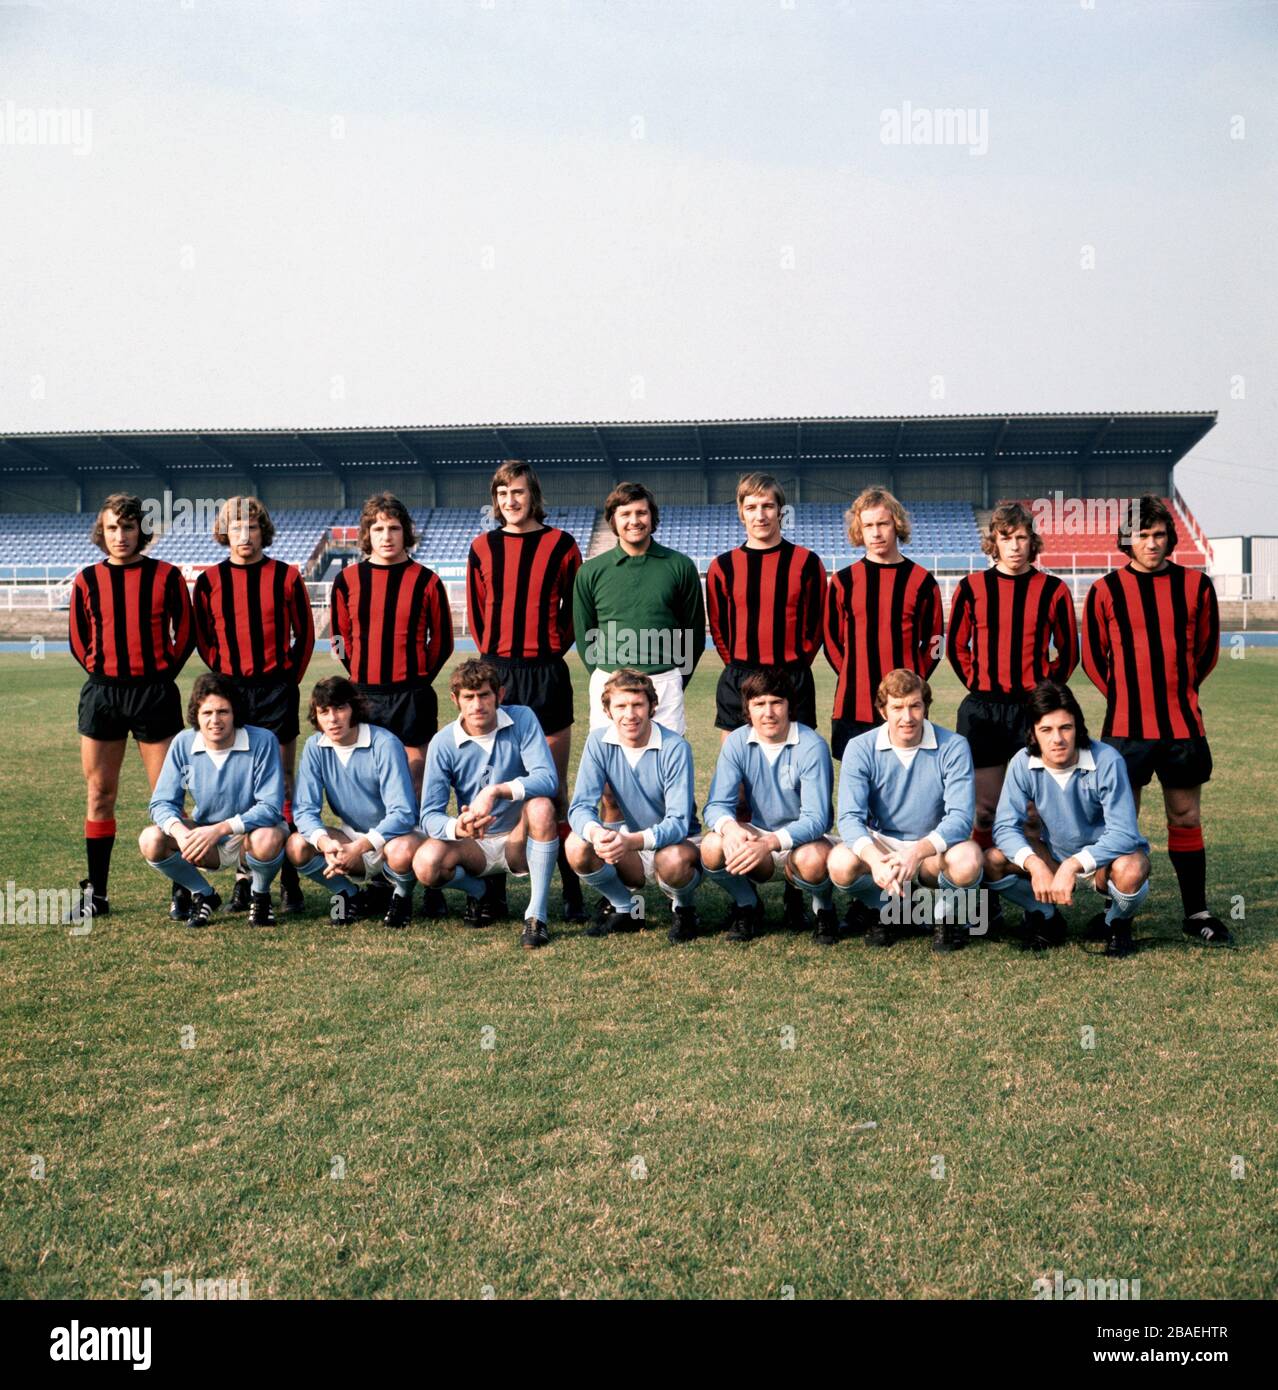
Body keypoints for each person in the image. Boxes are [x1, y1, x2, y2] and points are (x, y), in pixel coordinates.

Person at [1082, 495, 1227, 945]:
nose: (1151, 543)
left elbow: (1206, 652)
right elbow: (1093, 659)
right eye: (1142, 535)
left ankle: (1196, 912)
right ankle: (1115, 913)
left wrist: (1174, 692)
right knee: (1123, 822)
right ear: (1127, 539)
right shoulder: (1105, 590)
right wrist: (1129, 695)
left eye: (1159, 534)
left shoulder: (1197, 586)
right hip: (1126, 729)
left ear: (1170, 538)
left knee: (1184, 816)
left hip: (1182, 725)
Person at [706, 471, 828, 930]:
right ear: (741, 512)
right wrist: (743, 667)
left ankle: (799, 888)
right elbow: (718, 627)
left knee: (799, 785)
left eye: (768, 506)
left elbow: (817, 625)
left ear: (781, 510)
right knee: (736, 789)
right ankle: (746, 900)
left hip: (791, 676)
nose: (760, 514)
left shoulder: (806, 563)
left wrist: (792, 666)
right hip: (739, 676)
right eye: (751, 507)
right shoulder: (722, 567)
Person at [467, 460, 585, 924]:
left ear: (532, 495)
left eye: (517, 492)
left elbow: (573, 611)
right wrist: (493, 659)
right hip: (499, 672)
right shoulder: (483, 546)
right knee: (493, 782)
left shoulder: (561, 545)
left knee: (551, 787)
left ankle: (571, 886)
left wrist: (550, 647)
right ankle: (493, 890)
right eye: (501, 494)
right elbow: (478, 613)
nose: (510, 502)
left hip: (546, 673)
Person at [68, 492, 195, 922]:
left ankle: (183, 889)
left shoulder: (167, 576)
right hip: (103, 695)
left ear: (141, 529)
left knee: (168, 799)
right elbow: (78, 639)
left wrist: (159, 673)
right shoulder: (86, 580)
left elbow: (186, 634)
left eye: (127, 527)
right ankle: (97, 895)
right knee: (100, 794)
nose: (119, 536)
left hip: (154, 694)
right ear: (100, 534)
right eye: (111, 528)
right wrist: (106, 672)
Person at [330, 492, 454, 918]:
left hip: (412, 694)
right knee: (377, 789)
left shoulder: (427, 580)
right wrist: (362, 677)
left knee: (417, 786)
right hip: (365, 694)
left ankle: (427, 873)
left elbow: (441, 641)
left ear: (407, 533)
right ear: (366, 534)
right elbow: (341, 640)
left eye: (394, 528)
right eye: (378, 528)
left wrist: (416, 676)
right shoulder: (348, 580)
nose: (386, 536)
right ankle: (387, 877)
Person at [193, 496, 314, 918]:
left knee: (281, 785)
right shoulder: (209, 582)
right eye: (236, 528)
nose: (245, 536)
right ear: (224, 532)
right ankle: (245, 879)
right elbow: (205, 639)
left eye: (253, 527)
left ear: (264, 531)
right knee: (241, 788)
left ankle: (291, 880)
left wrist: (286, 681)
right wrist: (227, 684)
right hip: (234, 694)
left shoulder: (286, 576)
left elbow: (306, 635)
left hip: (276, 690)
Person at [946, 499, 1077, 873]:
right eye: (1006, 538)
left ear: (1031, 541)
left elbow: (1068, 652)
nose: (1015, 546)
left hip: (1031, 712)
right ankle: (984, 893)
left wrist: (1043, 691)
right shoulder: (972, 587)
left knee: (1033, 812)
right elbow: (957, 646)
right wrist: (977, 681)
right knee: (983, 810)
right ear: (994, 543)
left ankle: (1036, 904)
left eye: (1021, 537)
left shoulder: (1053, 589)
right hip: (983, 711)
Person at [985, 680, 1150, 958]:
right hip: (1052, 854)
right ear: (1033, 733)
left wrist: (1075, 864)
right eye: (1046, 730)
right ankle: (1046, 917)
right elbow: (1004, 827)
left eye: (1065, 728)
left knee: (1133, 868)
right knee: (992, 862)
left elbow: (1124, 833)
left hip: (1104, 859)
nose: (1057, 739)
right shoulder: (1022, 763)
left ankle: (1115, 924)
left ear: (1078, 727)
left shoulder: (1107, 760)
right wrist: (1036, 865)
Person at [828, 669, 981, 952]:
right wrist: (875, 861)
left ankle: (942, 916)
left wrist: (916, 852)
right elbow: (850, 818)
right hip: (883, 843)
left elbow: (960, 818)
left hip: (931, 848)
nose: (907, 717)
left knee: (968, 860)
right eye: (897, 707)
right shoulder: (859, 747)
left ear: (926, 707)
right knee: (840, 863)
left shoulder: (954, 746)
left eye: (915, 706)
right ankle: (885, 909)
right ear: (883, 710)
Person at [412, 659, 560, 949]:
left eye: (484, 695)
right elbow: (429, 815)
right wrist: (458, 826)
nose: (477, 704)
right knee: (426, 864)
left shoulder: (522, 719)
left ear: (499, 696)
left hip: (519, 839)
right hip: (475, 844)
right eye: (468, 696)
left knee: (542, 806)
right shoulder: (443, 742)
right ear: (456, 700)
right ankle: (481, 892)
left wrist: (496, 791)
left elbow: (548, 779)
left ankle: (536, 916)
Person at [700, 668, 837, 944]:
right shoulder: (737, 741)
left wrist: (771, 843)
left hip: (803, 840)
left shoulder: (811, 745)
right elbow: (715, 805)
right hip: (757, 835)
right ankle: (747, 905)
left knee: (813, 860)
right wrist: (731, 829)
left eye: (776, 702)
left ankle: (824, 909)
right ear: (748, 710)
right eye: (759, 704)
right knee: (713, 846)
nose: (768, 712)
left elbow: (817, 818)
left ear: (789, 706)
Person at [564, 668, 701, 943]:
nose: (630, 714)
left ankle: (685, 910)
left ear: (652, 706)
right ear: (608, 710)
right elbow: (580, 807)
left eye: (638, 704)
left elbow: (678, 822)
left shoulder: (675, 747)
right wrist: (597, 834)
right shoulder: (598, 742)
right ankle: (625, 907)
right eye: (621, 706)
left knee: (671, 861)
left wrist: (630, 841)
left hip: (676, 844)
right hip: (630, 844)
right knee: (576, 846)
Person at [139, 673, 286, 927]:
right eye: (207, 713)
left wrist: (220, 828)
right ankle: (203, 894)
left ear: (235, 713)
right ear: (196, 714)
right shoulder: (183, 743)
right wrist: (181, 834)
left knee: (269, 837)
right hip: (207, 841)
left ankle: (260, 895)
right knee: (151, 839)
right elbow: (161, 803)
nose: (215, 720)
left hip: (250, 836)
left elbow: (271, 807)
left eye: (223, 712)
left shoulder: (263, 741)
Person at [573, 480, 706, 737]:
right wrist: (606, 676)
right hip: (609, 681)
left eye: (641, 512)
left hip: (663, 682)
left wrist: (674, 677)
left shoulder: (680, 566)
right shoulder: (590, 571)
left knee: (666, 762)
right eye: (625, 514)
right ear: (613, 520)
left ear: (652, 516)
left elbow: (693, 634)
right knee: (608, 767)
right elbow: (584, 634)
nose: (634, 521)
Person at [287, 676, 421, 928]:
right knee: (297, 845)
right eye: (324, 711)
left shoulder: (384, 743)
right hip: (351, 835)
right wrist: (326, 844)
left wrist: (358, 848)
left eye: (340, 708)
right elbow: (304, 810)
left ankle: (401, 897)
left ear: (354, 709)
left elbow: (403, 813)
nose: (332, 719)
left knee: (400, 851)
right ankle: (348, 894)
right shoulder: (315, 747)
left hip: (395, 836)